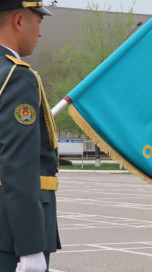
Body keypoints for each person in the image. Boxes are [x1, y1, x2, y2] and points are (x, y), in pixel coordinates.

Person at [0, 2, 60, 272]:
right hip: (10, 237)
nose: (39, 32)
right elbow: (18, 166)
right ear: (19, 21)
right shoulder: (16, 77)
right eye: (38, 21)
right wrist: (30, 247)